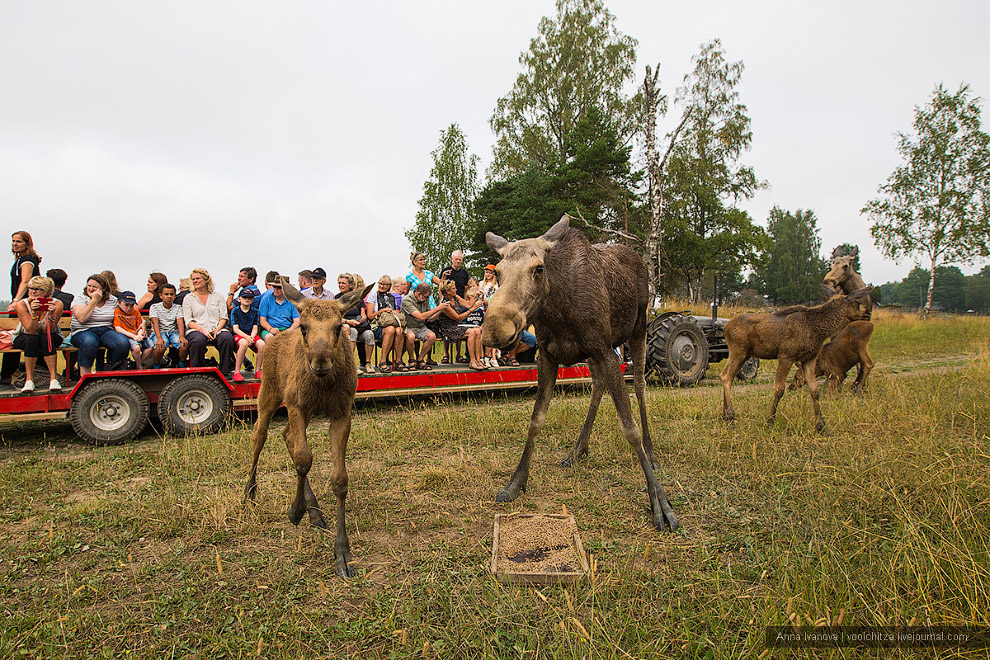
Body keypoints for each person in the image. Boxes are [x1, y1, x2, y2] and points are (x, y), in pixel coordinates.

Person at [69, 273, 130, 375]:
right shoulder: (81, 298)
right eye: (89, 286)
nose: (91, 289)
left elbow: (126, 312)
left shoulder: (112, 300)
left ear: (104, 288)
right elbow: (81, 318)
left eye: (95, 287)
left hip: (106, 330)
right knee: (89, 342)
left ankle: (113, 371)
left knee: (122, 342)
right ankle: (85, 375)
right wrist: (94, 300)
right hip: (83, 330)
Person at [12, 276, 64, 391]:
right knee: (32, 338)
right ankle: (29, 380)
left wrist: (50, 315)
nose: (32, 291)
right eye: (30, 288)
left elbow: (47, 330)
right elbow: (31, 330)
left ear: (46, 291)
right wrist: (34, 313)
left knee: (46, 338)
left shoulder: (57, 304)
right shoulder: (22, 304)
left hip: (50, 334)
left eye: (37, 289)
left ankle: (53, 379)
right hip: (26, 335)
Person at [182, 267, 235, 377]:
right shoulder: (189, 298)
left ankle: (225, 370)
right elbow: (188, 320)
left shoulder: (218, 297)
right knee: (197, 340)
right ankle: (197, 372)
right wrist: (202, 330)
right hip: (197, 329)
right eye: (193, 279)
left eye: (198, 278)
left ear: (206, 280)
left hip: (216, 328)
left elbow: (223, 317)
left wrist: (218, 329)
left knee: (227, 338)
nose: (195, 281)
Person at [434, 280, 486, 369]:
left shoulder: (455, 297)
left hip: (457, 326)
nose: (456, 290)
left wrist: (476, 296)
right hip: (448, 329)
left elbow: (468, 304)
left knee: (477, 330)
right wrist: (473, 309)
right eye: (454, 288)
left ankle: (478, 360)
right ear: (448, 292)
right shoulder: (445, 304)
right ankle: (472, 361)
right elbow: (458, 318)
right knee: (472, 332)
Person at [401, 283, 449, 370]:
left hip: (421, 327)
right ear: (419, 293)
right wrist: (437, 308)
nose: (427, 299)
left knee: (431, 336)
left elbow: (430, 318)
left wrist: (441, 309)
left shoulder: (424, 300)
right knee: (410, 336)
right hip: (408, 326)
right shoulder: (406, 300)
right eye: (426, 297)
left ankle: (420, 359)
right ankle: (412, 360)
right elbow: (421, 316)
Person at [336, 273, 375, 373]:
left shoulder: (357, 298)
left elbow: (363, 314)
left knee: (369, 335)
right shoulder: (337, 299)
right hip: (346, 325)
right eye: (339, 283)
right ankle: (352, 364)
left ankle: (367, 363)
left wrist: (362, 318)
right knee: (353, 332)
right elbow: (336, 318)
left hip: (359, 325)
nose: (341, 285)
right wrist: (348, 322)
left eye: (343, 283)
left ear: (350, 285)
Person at [365, 275, 404, 372]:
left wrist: (395, 312)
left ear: (389, 286)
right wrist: (382, 311)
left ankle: (398, 361)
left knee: (399, 330)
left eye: (384, 284)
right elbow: (370, 316)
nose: (381, 286)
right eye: (380, 283)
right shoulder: (373, 296)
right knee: (391, 329)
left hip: (390, 322)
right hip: (377, 324)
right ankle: (383, 361)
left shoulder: (392, 297)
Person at [147, 283, 188, 368]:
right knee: (160, 347)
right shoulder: (154, 307)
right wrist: (159, 338)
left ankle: (181, 365)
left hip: (173, 332)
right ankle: (156, 365)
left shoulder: (178, 307)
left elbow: (180, 322)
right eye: (166, 294)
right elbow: (155, 323)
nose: (169, 296)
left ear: (175, 296)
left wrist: (181, 336)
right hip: (160, 332)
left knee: (183, 346)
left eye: (171, 294)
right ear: (161, 296)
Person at [230, 288, 264, 381]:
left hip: (251, 334)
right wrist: (247, 337)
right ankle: (237, 371)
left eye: (249, 298)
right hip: (240, 334)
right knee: (244, 343)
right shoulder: (235, 311)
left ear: (253, 300)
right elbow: (235, 329)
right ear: (239, 299)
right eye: (244, 297)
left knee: (262, 344)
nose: (247, 299)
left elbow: (255, 327)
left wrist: (252, 337)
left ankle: (258, 370)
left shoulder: (255, 311)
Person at [8, 231, 41, 312]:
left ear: (27, 244)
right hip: (21, 300)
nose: (15, 244)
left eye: (18, 241)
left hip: (26, 301)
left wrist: (16, 300)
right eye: (13, 241)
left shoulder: (27, 260)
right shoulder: (20, 259)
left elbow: (26, 281)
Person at [113, 290, 146, 369]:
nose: (129, 308)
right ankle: (139, 366)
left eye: (131, 305)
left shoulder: (135, 312)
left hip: (137, 334)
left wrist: (139, 334)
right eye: (126, 305)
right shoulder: (117, 312)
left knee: (151, 346)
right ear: (119, 303)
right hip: (127, 336)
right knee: (136, 348)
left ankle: (136, 363)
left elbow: (141, 325)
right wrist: (134, 337)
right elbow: (117, 328)